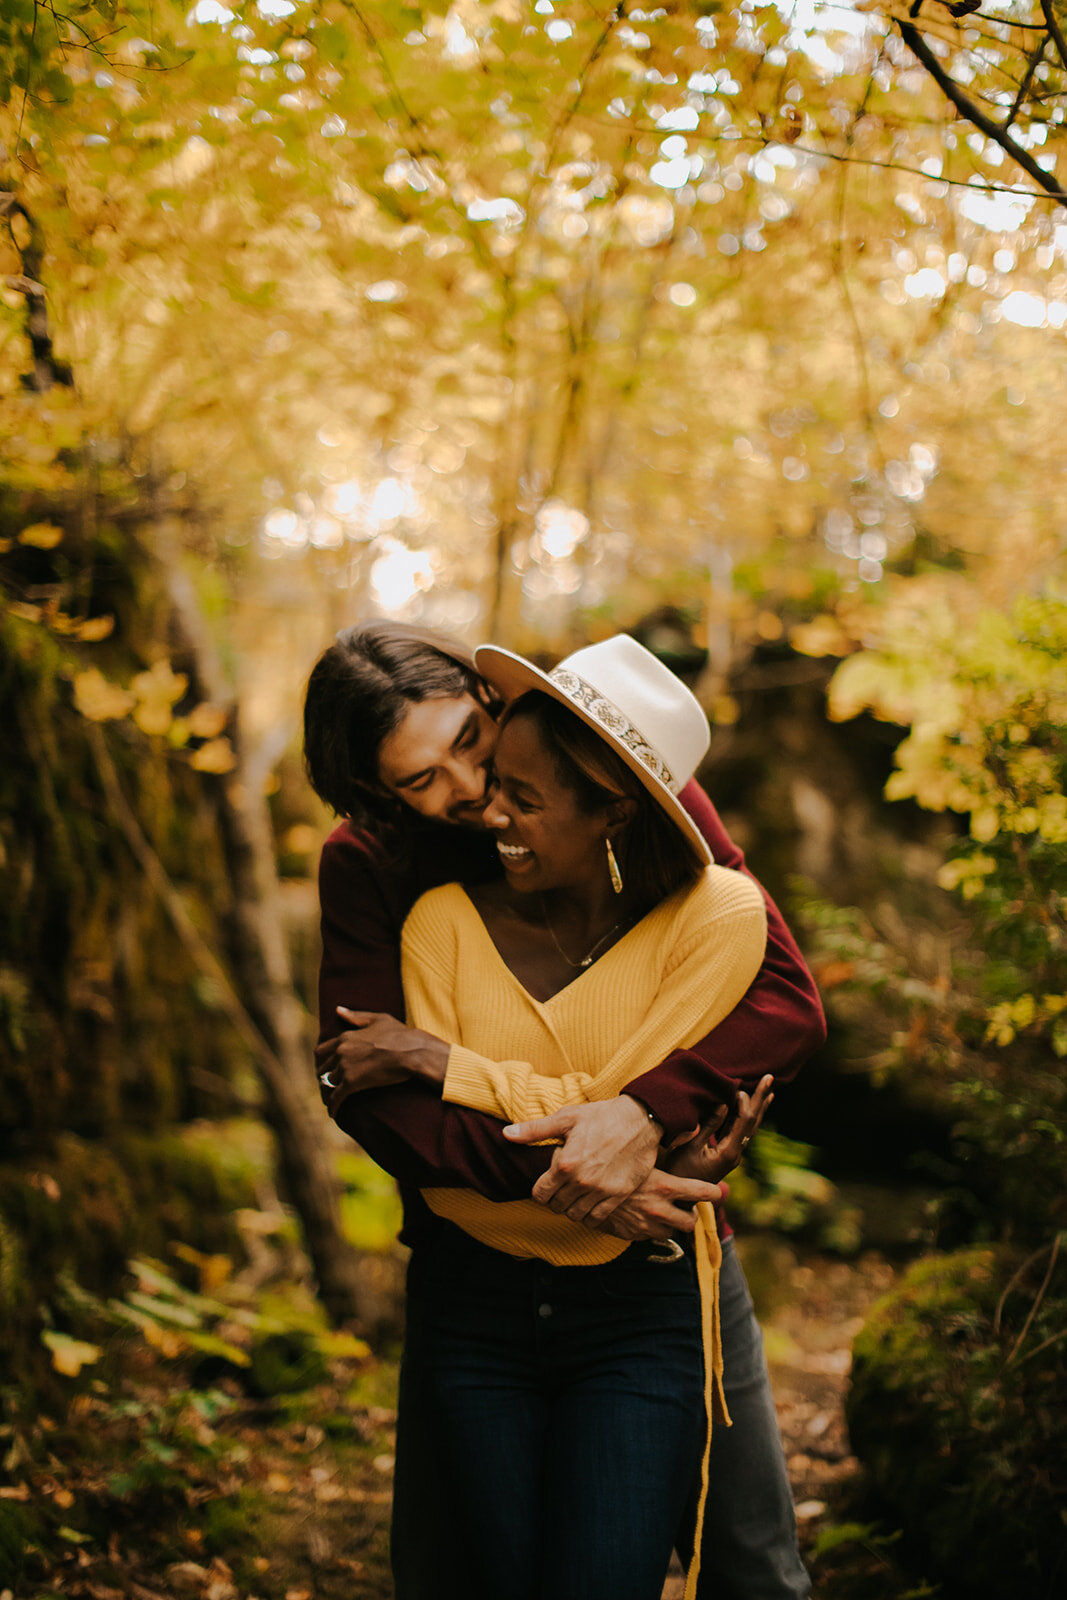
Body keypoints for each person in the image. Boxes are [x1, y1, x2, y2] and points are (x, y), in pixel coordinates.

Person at [305, 622, 822, 1600]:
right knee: (451, 1565)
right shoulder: (374, 865)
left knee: (750, 1559)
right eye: (419, 780)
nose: (466, 789)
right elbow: (361, 1091)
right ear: (375, 792)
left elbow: (784, 1000)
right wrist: (581, 1180)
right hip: (475, 1251)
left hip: (656, 1247)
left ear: (492, 700)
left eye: (469, 739)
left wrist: (640, 1115)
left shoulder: (618, 760)